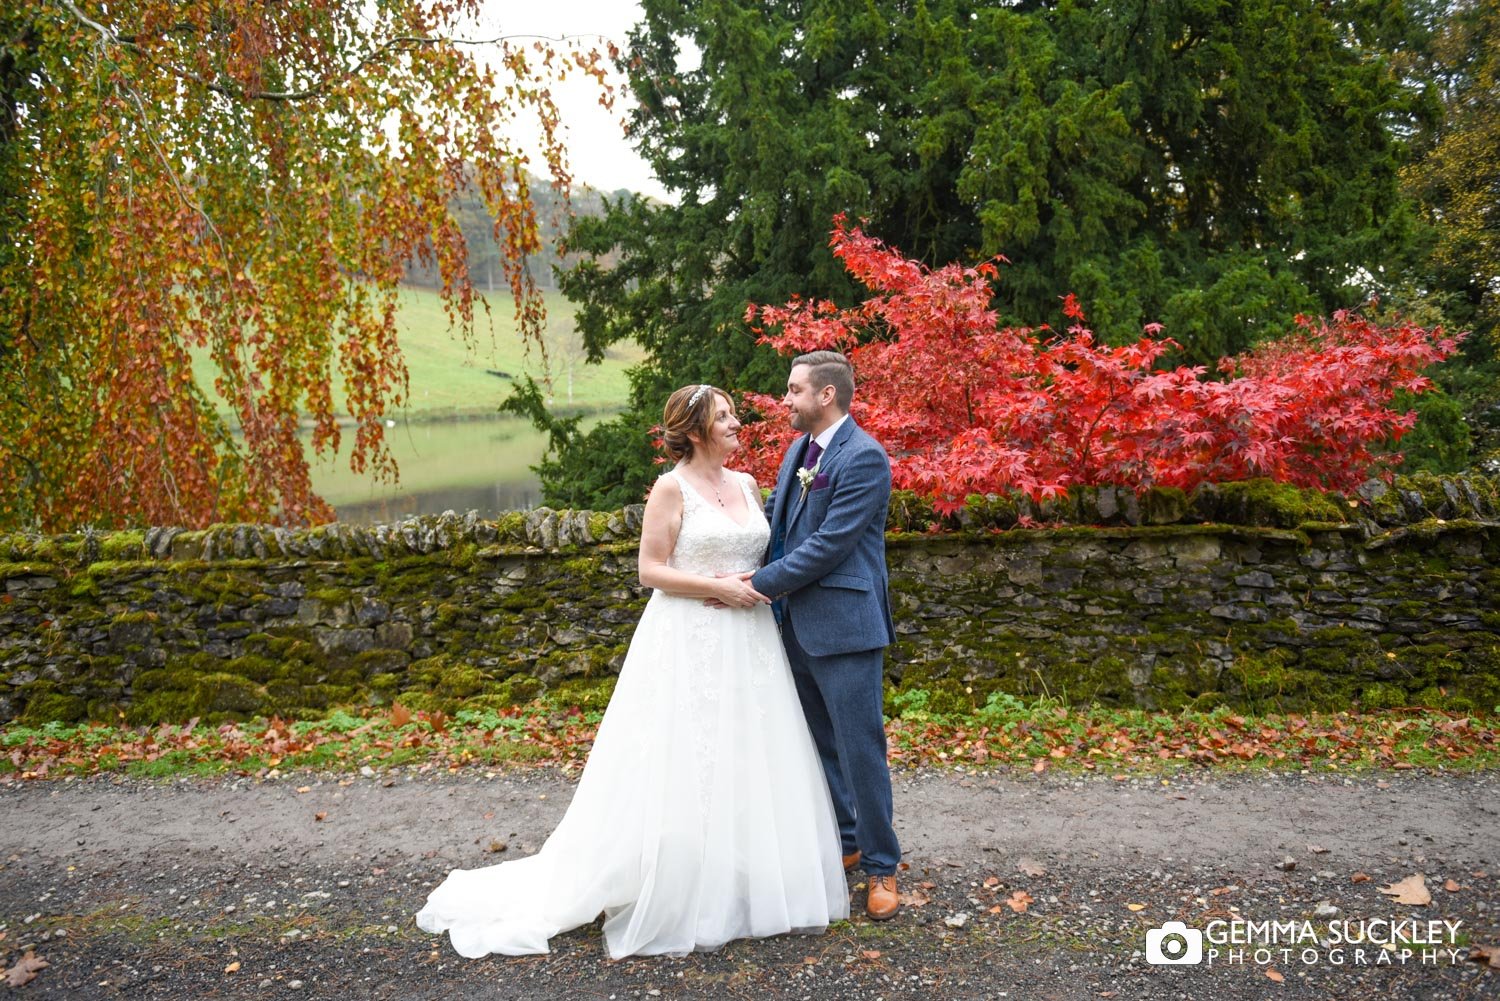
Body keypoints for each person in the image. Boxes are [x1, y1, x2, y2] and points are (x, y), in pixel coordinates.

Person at [415, 384, 849, 959]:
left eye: (733, 416)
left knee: (747, 753)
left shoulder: (746, 485)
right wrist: (717, 588)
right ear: (695, 431)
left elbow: (763, 557)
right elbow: (650, 570)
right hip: (687, 637)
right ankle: (677, 883)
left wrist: (755, 588)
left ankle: (743, 880)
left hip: (751, 642)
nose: (737, 424)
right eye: (724, 418)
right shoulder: (670, 489)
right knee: (685, 756)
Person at [739, 350, 901, 920]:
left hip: (846, 626)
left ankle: (883, 867)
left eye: (793, 389)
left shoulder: (865, 458)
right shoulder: (797, 452)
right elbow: (776, 526)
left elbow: (828, 547)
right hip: (794, 627)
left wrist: (756, 584)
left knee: (861, 748)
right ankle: (849, 841)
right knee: (819, 744)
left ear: (825, 395)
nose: (785, 399)